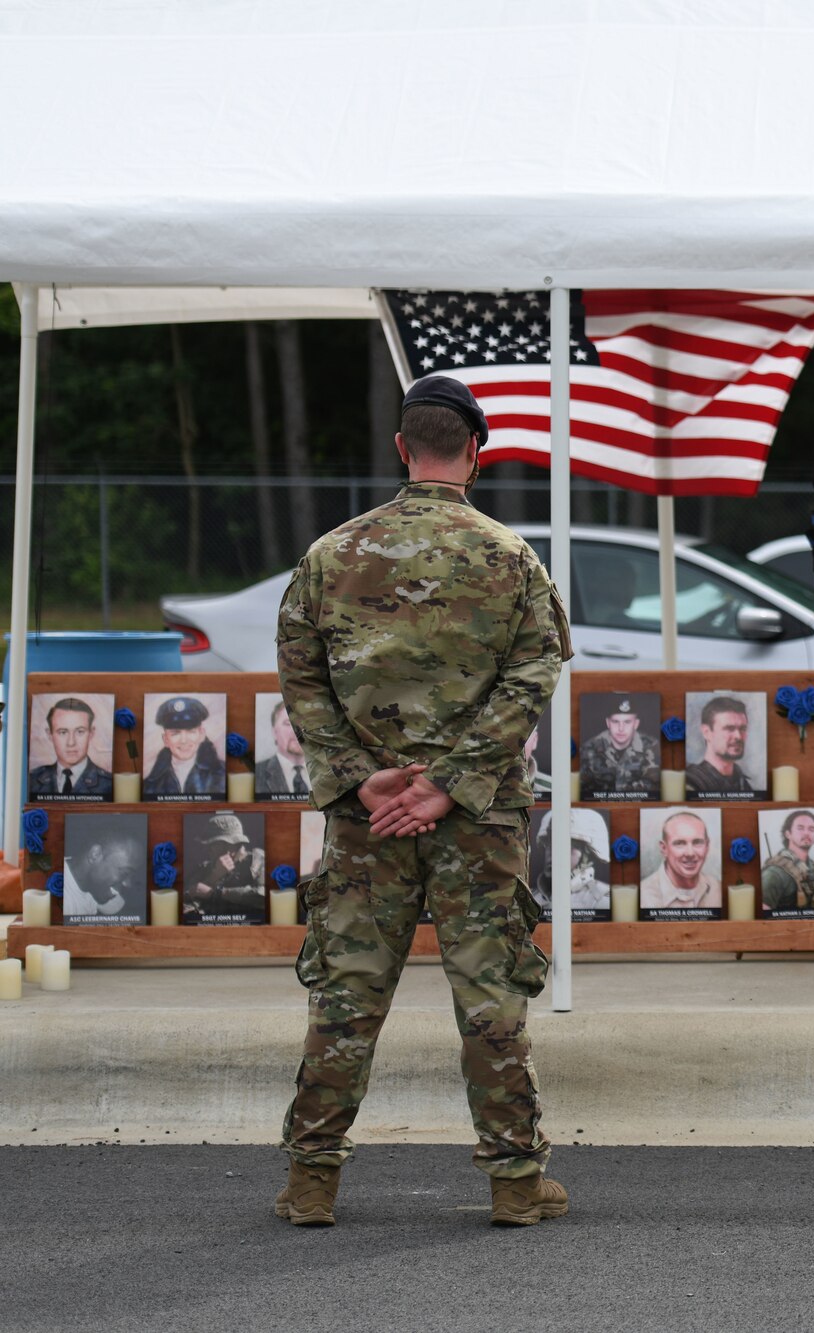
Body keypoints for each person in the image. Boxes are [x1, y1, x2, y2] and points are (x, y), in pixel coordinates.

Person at [274, 375, 573, 1230]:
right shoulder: (510, 556)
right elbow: (533, 675)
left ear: (404, 448)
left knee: (347, 993)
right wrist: (452, 780)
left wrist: (356, 773)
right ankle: (516, 1182)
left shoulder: (331, 555)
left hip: (368, 815)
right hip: (475, 819)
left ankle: (311, 1181)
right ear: (474, 452)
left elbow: (300, 672)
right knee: (490, 995)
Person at [185, 814, 267, 922]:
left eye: (212, 844)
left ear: (230, 845)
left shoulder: (258, 861)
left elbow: (263, 896)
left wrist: (216, 893)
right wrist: (213, 877)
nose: (208, 850)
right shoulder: (206, 867)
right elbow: (187, 905)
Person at [29, 697, 113, 798]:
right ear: (49, 735)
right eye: (63, 732)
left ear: (91, 733)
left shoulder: (107, 783)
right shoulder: (32, 780)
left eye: (80, 732)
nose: (71, 742)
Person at [530, 813, 611, 918]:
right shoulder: (531, 898)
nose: (553, 851)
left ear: (587, 854)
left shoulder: (601, 901)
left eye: (565, 845)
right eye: (549, 844)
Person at [143, 696, 226, 798]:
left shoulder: (222, 775)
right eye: (175, 733)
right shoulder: (151, 784)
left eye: (191, 731)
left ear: (201, 735)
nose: (183, 740)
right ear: (165, 740)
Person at [760, 810, 814, 913]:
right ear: (788, 834)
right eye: (800, 828)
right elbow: (765, 920)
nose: (806, 833)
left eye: (811, 829)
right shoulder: (774, 874)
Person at [580, 696, 658, 796]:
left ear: (636, 724)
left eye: (627, 722)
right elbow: (583, 792)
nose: (621, 728)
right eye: (615, 721)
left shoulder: (652, 746)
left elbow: (654, 787)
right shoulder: (589, 748)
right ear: (608, 723)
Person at [642, 811, 721, 911]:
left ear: (707, 846)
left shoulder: (718, 890)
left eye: (697, 842)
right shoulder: (643, 897)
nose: (690, 853)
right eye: (680, 843)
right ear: (664, 848)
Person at [62, 829, 140, 919]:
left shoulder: (95, 886)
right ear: (95, 854)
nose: (128, 884)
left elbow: (116, 909)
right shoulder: (65, 904)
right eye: (125, 873)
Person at [687, 696, 756, 797]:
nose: (738, 736)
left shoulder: (744, 784)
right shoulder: (692, 782)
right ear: (707, 732)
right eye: (729, 728)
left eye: (743, 729)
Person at [256, 699, 312, 799]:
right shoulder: (258, 773)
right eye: (288, 723)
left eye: (303, 723)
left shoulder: (328, 772)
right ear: (274, 732)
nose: (297, 731)